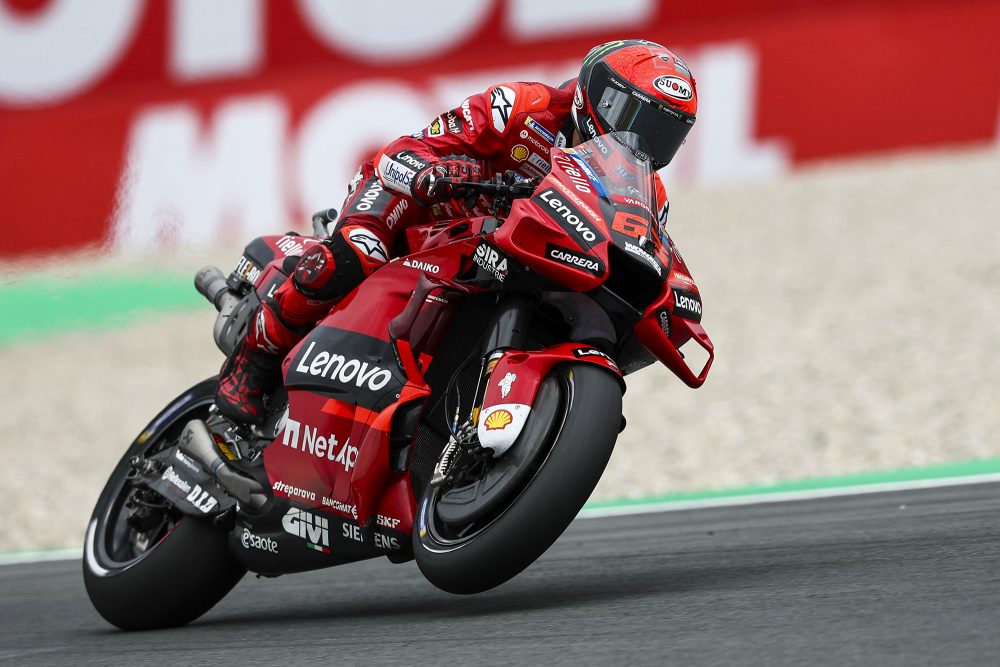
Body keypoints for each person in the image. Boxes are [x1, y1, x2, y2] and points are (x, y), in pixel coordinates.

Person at [215, 38, 699, 425]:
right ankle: (253, 359)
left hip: (501, 252)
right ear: (603, 97)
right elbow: (404, 150)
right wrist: (431, 175)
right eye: (637, 123)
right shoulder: (523, 107)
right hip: (419, 208)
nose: (644, 144)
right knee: (356, 253)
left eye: (664, 134)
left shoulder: (650, 194)